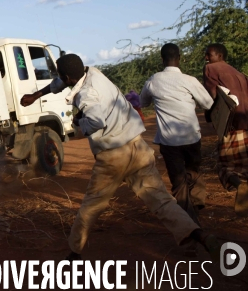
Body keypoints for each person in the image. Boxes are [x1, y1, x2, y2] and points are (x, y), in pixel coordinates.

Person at [20, 54, 219, 260]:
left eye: (62, 76)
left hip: (113, 157)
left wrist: (79, 123)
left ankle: (74, 251)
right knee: (162, 201)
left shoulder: (87, 94)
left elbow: (96, 122)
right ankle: (199, 234)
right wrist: (36, 95)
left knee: (91, 206)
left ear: (68, 76)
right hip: (138, 147)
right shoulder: (94, 73)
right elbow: (62, 82)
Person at [139, 43, 214, 224]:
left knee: (178, 180)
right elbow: (208, 104)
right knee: (193, 171)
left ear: (162, 60)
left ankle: (188, 220)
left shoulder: (153, 80)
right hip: (191, 136)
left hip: (169, 141)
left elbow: (143, 102)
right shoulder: (190, 81)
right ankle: (196, 205)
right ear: (179, 58)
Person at [203, 43, 248, 216]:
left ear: (219, 55)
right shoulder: (238, 72)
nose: (206, 58)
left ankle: (240, 187)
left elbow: (212, 96)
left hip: (232, 124)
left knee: (226, 166)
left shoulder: (211, 69)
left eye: (209, 54)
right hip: (246, 122)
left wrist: (211, 116)